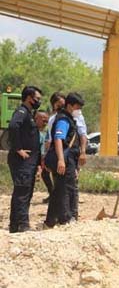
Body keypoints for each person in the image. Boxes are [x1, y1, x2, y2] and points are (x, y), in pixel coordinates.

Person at [44, 92, 84, 228]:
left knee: (59, 190)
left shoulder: (68, 119)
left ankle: (50, 221)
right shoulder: (63, 120)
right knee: (65, 189)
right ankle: (65, 219)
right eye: (77, 107)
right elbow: (58, 139)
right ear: (70, 106)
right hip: (64, 160)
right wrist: (61, 160)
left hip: (68, 159)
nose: (79, 111)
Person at [7, 85, 43, 233]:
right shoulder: (22, 112)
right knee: (22, 192)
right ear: (29, 98)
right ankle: (22, 225)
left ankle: (15, 225)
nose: (39, 101)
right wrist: (18, 149)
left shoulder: (29, 113)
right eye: (38, 99)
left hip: (29, 162)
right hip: (22, 161)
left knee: (23, 192)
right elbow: (13, 126)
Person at [42, 91, 65, 204]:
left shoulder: (68, 117)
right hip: (55, 150)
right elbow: (51, 138)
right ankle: (53, 195)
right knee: (49, 174)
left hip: (65, 151)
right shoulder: (52, 119)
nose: (60, 105)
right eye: (58, 103)